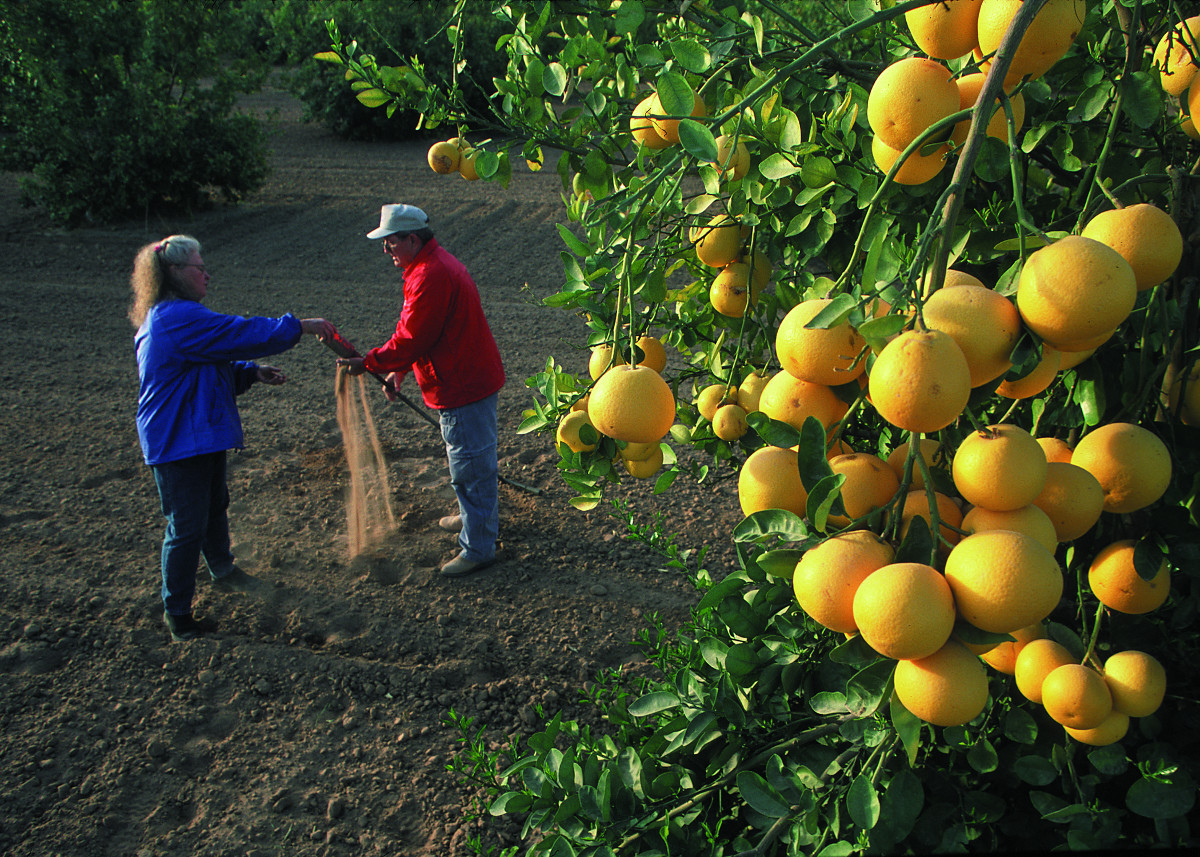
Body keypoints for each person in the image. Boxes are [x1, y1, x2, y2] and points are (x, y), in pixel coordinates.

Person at [129, 234, 336, 642]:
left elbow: (207, 363)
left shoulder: (177, 317)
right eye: (198, 267)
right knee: (186, 525)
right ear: (174, 273)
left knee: (214, 505)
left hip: (197, 432)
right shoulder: (174, 317)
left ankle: (222, 569)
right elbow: (239, 332)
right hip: (176, 440)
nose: (207, 274)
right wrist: (300, 326)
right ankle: (179, 616)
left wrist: (249, 373)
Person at [337, 204, 505, 578]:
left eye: (391, 242)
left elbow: (413, 336)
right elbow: (424, 332)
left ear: (413, 239)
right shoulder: (427, 267)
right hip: (463, 379)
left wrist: (371, 362)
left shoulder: (430, 274)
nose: (386, 250)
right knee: (469, 462)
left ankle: (478, 548)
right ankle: (472, 520)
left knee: (470, 467)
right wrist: (399, 368)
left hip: (462, 385)